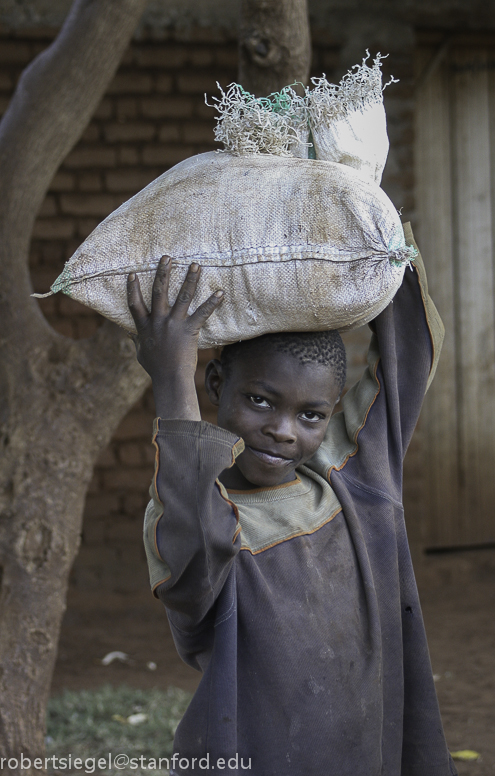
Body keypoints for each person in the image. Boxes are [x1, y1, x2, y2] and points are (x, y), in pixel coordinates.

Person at [127, 223, 457, 776]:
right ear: (215, 385)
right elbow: (195, 530)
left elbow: (408, 352)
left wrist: (373, 224)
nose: (283, 431)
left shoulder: (350, 481)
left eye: (311, 415)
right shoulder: (200, 521)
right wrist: (172, 377)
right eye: (260, 400)